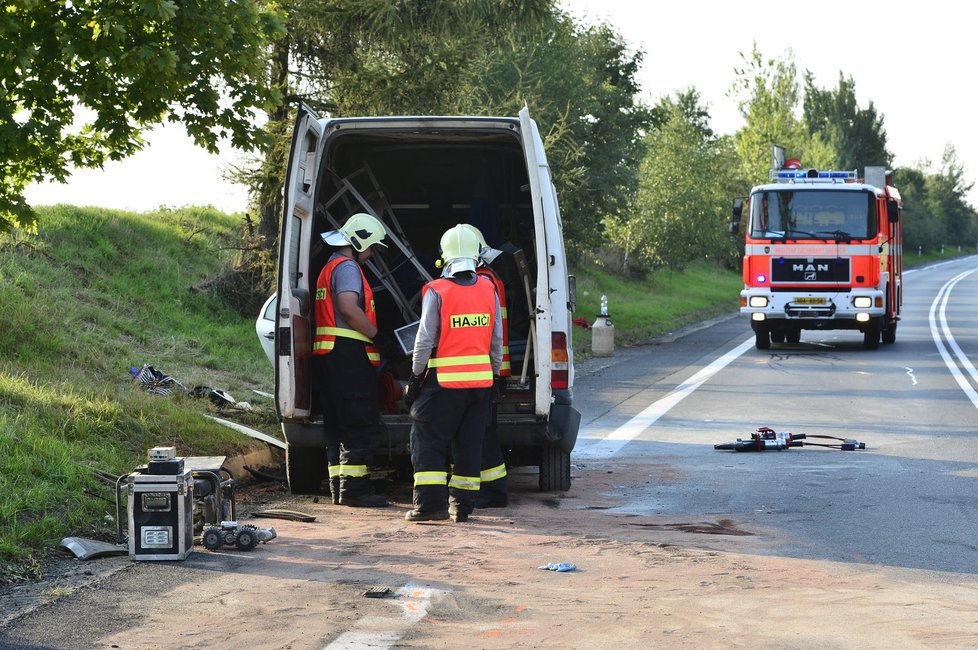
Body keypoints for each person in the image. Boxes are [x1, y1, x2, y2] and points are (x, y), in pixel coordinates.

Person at [403, 224, 503, 522]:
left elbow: (424, 340)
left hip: (442, 386)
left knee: (428, 438)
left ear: (444, 257)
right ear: (476, 256)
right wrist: (495, 375)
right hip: (480, 385)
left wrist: (415, 378)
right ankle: (462, 507)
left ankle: (430, 506)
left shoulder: (437, 290)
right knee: (469, 444)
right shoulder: (489, 289)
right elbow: (496, 340)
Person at [312, 212, 398, 508]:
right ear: (359, 241)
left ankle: (339, 487)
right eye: (372, 247)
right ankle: (355, 490)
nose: (372, 253)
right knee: (359, 422)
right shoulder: (348, 267)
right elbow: (348, 308)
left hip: (329, 356)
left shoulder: (330, 266)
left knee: (337, 425)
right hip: (348, 354)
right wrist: (379, 336)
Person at [459, 224, 510, 508]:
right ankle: (492, 489)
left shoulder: (482, 283)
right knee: (485, 432)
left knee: (484, 434)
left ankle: (492, 492)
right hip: (489, 368)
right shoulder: (490, 280)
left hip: (484, 370)